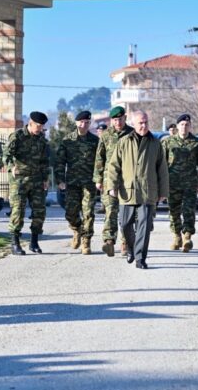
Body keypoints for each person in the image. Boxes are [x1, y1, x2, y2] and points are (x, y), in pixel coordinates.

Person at [107, 110, 169, 269]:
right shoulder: (124, 142)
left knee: (144, 227)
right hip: (127, 191)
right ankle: (131, 248)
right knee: (125, 224)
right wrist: (112, 186)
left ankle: (140, 258)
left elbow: (162, 169)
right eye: (141, 123)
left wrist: (163, 192)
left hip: (148, 191)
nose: (144, 125)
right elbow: (114, 166)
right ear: (133, 124)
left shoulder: (155, 143)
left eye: (146, 122)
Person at [4, 111, 50, 255]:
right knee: (18, 211)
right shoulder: (17, 136)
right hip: (19, 181)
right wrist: (12, 166)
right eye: (38, 126)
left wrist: (45, 178)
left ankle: (34, 242)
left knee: (39, 211)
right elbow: (6, 155)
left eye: (42, 126)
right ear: (30, 123)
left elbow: (44, 161)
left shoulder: (42, 140)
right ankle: (15, 243)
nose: (40, 129)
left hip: (37, 180)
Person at [162, 114, 198, 252]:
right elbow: (161, 164)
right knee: (174, 211)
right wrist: (161, 183)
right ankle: (177, 236)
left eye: (187, 125)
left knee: (189, 210)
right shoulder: (168, 142)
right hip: (172, 183)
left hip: (190, 183)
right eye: (182, 124)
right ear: (177, 126)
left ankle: (187, 236)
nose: (184, 127)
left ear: (190, 126)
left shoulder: (196, 143)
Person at [55, 110, 99, 255]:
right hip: (72, 183)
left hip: (89, 184)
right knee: (71, 213)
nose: (84, 125)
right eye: (81, 122)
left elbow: (100, 162)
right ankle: (77, 230)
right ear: (76, 123)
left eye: (87, 122)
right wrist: (60, 180)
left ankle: (86, 242)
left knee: (88, 213)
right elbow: (60, 162)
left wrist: (100, 179)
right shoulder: (68, 140)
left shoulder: (95, 141)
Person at [93, 106, 134, 257]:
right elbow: (99, 158)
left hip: (127, 180)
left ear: (125, 118)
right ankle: (109, 241)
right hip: (109, 179)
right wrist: (98, 179)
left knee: (126, 213)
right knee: (110, 211)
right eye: (115, 120)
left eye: (120, 119)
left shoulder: (132, 134)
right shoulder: (106, 135)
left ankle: (125, 243)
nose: (118, 122)